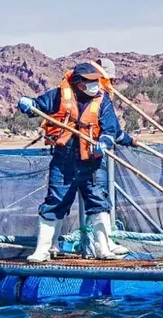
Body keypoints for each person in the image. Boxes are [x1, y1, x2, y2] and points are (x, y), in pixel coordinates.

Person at [18, 61, 137, 263]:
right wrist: (27, 104)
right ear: (78, 83)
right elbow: (37, 106)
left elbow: (110, 129)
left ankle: (103, 248)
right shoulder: (59, 95)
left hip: (93, 162)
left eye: (96, 81)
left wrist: (105, 142)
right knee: (55, 202)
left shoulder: (103, 99)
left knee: (98, 202)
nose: (94, 85)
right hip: (64, 161)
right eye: (89, 82)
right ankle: (43, 250)